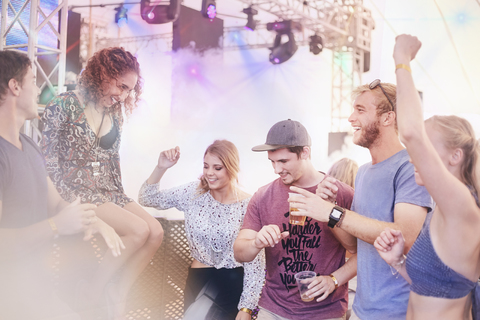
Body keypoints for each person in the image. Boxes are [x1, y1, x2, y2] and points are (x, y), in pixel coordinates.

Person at [290, 77, 433, 319]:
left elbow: (405, 238)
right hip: (362, 310)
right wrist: (329, 209)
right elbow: (356, 244)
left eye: (360, 110)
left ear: (388, 118)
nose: (350, 118)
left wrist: (333, 213)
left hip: (400, 311)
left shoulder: (410, 166)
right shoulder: (365, 172)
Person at [41, 47, 164, 319]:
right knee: (137, 230)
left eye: (129, 90)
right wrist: (64, 202)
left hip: (109, 190)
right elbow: (47, 164)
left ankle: (118, 291)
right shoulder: (62, 105)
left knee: (155, 231)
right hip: (77, 191)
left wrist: (123, 200)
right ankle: (92, 292)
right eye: (121, 86)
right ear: (103, 73)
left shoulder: (116, 114)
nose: (123, 95)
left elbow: (112, 160)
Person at [0, 50, 123, 319]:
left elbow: (55, 201)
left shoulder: (29, 146)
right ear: (15, 86)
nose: (39, 89)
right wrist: (56, 226)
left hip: (38, 294)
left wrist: (91, 219)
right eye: (34, 81)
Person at [374, 34, 480, 320]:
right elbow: (435, 288)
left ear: (455, 156)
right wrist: (398, 262)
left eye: (426, 149)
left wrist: (402, 58)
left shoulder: (463, 205)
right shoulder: (444, 210)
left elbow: (410, 131)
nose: (415, 157)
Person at [233, 119, 357, 320]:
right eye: (272, 162)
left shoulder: (341, 193)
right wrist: (257, 243)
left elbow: (363, 252)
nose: (276, 169)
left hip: (326, 312)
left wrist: (334, 280)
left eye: (283, 161)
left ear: (305, 153)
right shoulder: (263, 196)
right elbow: (240, 252)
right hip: (273, 309)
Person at [138, 140, 265, 320]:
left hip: (234, 284)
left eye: (217, 168)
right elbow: (146, 198)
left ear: (232, 168)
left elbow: (256, 264)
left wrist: (246, 309)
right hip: (198, 280)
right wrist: (161, 168)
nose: (209, 173)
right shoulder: (193, 193)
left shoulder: (249, 205)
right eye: (206, 166)